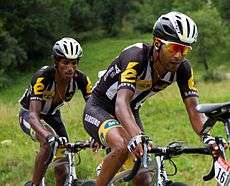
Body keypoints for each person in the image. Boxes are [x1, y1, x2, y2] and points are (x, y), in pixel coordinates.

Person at [83, 11, 219, 186]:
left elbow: (194, 109)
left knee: (144, 176)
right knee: (123, 144)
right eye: (173, 48)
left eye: (184, 49)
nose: (179, 55)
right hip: (100, 108)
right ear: (157, 43)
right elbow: (121, 103)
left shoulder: (183, 68)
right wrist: (137, 136)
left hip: (130, 111)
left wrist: (206, 137)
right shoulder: (136, 56)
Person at [18, 37, 92, 186]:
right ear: (56, 63)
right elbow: (33, 116)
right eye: (65, 62)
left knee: (63, 167)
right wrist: (47, 136)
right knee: (48, 142)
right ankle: (35, 184)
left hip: (53, 116)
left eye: (74, 63)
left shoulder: (81, 79)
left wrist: (96, 134)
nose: (70, 68)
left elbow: (95, 108)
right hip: (29, 114)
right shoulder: (43, 77)